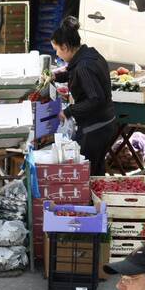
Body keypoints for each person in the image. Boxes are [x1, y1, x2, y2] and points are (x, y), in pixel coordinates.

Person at [51, 16, 115, 176]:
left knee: (86, 174)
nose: (57, 54)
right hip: (106, 123)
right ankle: (99, 201)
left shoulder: (83, 66)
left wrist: (67, 112)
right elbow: (74, 73)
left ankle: (90, 202)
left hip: (96, 129)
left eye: (57, 49)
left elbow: (95, 99)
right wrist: (55, 77)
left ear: (65, 47)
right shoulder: (88, 55)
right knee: (96, 172)